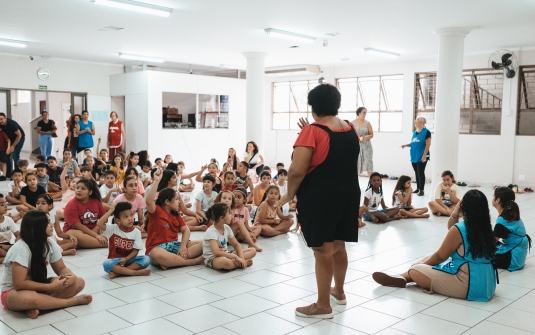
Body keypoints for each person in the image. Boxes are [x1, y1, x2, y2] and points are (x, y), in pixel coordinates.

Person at [275, 83, 360, 319]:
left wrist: (289, 194)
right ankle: (339, 293)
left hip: (321, 197)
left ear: (313, 107)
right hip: (349, 193)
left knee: (322, 249)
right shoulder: (350, 128)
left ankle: (323, 305)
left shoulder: (312, 131)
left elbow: (296, 171)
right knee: (339, 245)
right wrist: (309, 131)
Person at [373, 190, 498, 302]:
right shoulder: (486, 227)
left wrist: (420, 266)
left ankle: (406, 276)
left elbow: (440, 257)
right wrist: (456, 211)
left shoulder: (462, 229)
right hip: (487, 284)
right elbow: (451, 229)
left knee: (415, 269)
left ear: (464, 207)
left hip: (469, 285)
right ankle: (402, 277)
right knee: (429, 256)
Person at [0, 211, 92, 319]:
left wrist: (71, 276)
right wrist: (51, 286)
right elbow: (19, 284)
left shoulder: (50, 243)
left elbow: (61, 268)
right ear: (37, 227)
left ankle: (37, 305)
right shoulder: (21, 248)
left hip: (39, 286)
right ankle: (70, 302)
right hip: (14, 292)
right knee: (29, 298)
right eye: (47, 222)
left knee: (78, 282)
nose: (52, 224)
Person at [145, 169, 204, 270]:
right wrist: (156, 181)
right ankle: (192, 261)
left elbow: (186, 230)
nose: (179, 202)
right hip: (158, 248)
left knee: (206, 242)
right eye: (176, 199)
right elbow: (149, 201)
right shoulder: (156, 211)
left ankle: (172, 261)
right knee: (156, 254)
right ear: (167, 202)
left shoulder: (176, 215)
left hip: (175, 246)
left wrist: (183, 247)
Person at [97, 202, 150, 279]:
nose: (130, 218)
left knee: (146, 259)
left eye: (131, 215)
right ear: (118, 220)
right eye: (125, 217)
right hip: (115, 261)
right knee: (106, 263)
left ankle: (119, 273)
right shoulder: (113, 229)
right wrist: (111, 210)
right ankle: (134, 272)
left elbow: (135, 251)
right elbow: (99, 224)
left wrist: (126, 259)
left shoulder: (136, 232)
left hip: (129, 260)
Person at [202, 203, 256, 270]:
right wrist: (234, 257)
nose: (232, 216)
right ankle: (240, 264)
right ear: (222, 218)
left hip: (226, 254)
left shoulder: (227, 228)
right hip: (213, 259)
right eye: (229, 213)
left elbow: (236, 244)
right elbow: (217, 252)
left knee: (253, 250)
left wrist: (241, 257)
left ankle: (240, 262)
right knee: (225, 262)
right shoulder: (211, 232)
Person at [492, 187, 531, 271]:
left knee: (480, 255)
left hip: (512, 259)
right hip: (518, 257)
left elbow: (491, 242)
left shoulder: (503, 221)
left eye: (493, 196)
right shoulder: (511, 216)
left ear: (497, 200)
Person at [63, 179, 107, 249]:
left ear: (90, 192)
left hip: (94, 230)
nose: (79, 190)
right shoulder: (71, 205)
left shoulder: (96, 202)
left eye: (83, 189)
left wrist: (95, 230)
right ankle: (105, 244)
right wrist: (96, 236)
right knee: (74, 235)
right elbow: (77, 226)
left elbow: (105, 219)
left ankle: (84, 243)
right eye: (77, 188)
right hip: (76, 231)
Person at [401, 117, 431, 196]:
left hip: (422, 156)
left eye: (416, 121)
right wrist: (406, 145)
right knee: (416, 172)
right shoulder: (414, 132)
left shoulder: (426, 132)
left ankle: (422, 190)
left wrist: (424, 156)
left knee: (421, 172)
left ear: (421, 122)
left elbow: (428, 144)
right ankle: (418, 188)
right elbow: (413, 143)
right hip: (414, 156)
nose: (415, 122)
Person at [352, 107, 374, 177]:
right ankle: (355, 185)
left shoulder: (367, 123)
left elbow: (371, 134)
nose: (365, 114)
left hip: (367, 146)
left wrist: (365, 137)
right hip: (356, 146)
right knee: (356, 164)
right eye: (364, 112)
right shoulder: (352, 123)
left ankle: (371, 185)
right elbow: (351, 134)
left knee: (368, 164)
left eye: (366, 112)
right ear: (359, 113)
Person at [0, 194, 20, 263]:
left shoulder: (8, 219)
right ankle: (9, 257)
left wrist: (14, 246)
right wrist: (2, 246)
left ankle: (6, 258)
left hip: (8, 245)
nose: (6, 206)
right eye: (2, 205)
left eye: (5, 203)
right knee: (1, 252)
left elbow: (18, 235)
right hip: (1, 246)